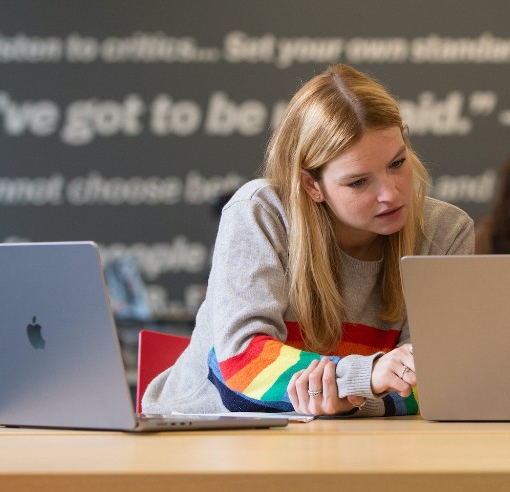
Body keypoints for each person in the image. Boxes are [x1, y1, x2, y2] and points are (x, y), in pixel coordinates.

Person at [141, 64, 474, 417]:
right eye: (359, 182)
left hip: (350, 439)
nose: (390, 194)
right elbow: (243, 361)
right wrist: (364, 378)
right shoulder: (259, 211)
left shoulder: (445, 232)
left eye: (397, 163)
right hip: (203, 433)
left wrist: (348, 396)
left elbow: (439, 380)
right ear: (311, 185)